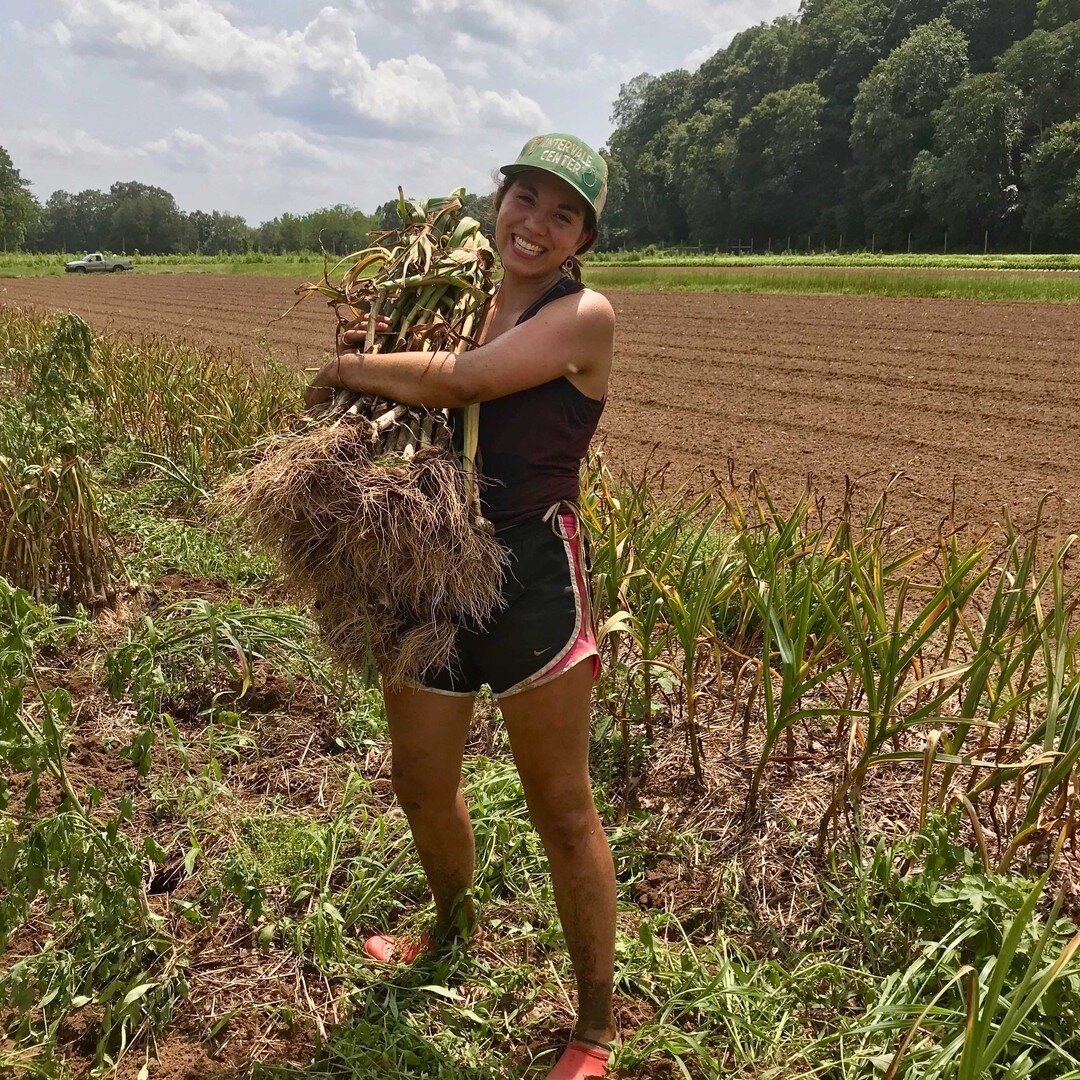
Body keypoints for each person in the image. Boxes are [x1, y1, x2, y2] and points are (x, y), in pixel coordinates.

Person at [305, 133, 616, 1080]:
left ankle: (596, 1024)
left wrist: (354, 370)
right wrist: (364, 349)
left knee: (561, 809)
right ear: (499, 203)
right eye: (525, 198)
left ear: (583, 238)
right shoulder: (448, 296)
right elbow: (420, 386)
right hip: (429, 571)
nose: (536, 223)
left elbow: (471, 380)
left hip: (531, 579)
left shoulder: (586, 315)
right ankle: (451, 931)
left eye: (563, 213)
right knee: (420, 779)